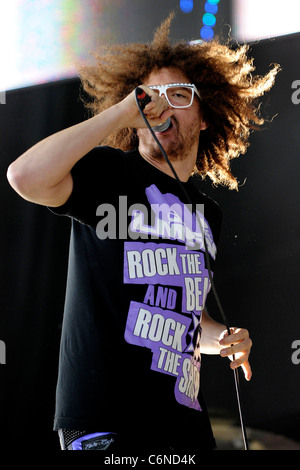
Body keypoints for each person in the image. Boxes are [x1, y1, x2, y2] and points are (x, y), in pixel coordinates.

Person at [7, 15, 278, 452]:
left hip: (183, 425)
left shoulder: (208, 214)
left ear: (205, 114)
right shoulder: (111, 173)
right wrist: (120, 112)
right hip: (107, 420)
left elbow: (189, 318)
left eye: (179, 94)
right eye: (150, 97)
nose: (162, 104)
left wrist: (222, 339)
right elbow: (24, 176)